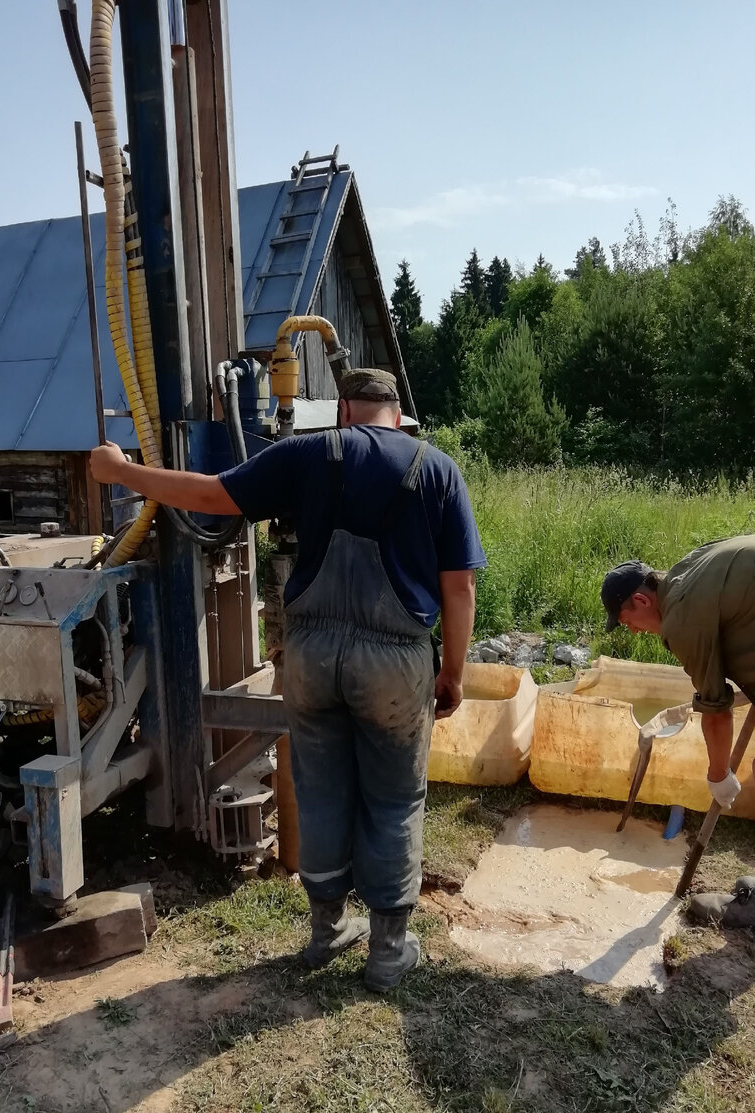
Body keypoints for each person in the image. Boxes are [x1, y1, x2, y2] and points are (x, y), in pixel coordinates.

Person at [91, 368, 486, 988]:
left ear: (346, 410)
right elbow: (458, 586)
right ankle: (387, 952)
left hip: (310, 654)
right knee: (393, 797)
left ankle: (327, 931)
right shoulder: (436, 469)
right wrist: (454, 672)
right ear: (395, 414)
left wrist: (123, 473)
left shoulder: (306, 453)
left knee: (322, 786)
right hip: (395, 658)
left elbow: (209, 495)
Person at [601, 535, 755, 940]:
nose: (635, 632)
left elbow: (715, 712)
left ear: (643, 601)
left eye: (629, 623)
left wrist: (718, 775)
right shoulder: (688, 569)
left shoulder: (683, 617)